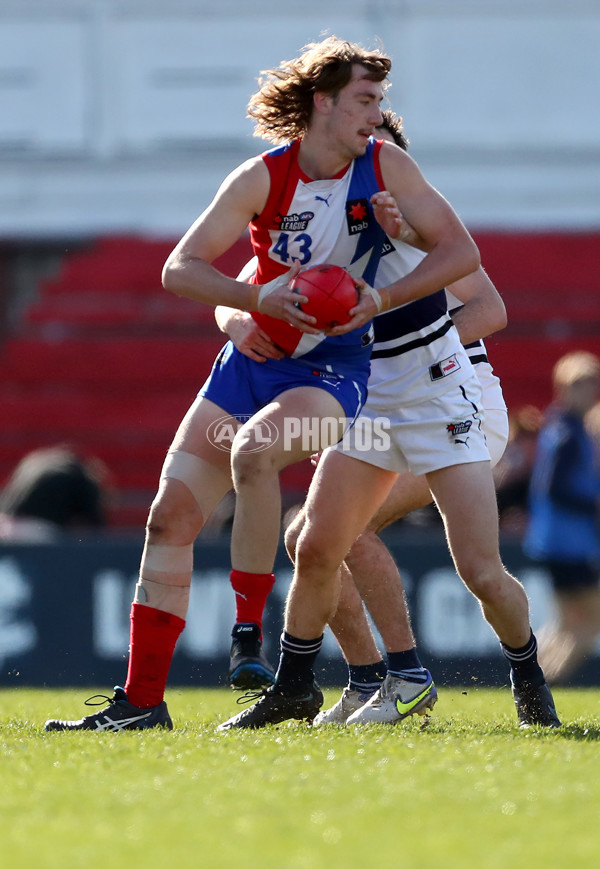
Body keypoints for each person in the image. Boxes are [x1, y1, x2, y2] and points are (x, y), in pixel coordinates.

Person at [44, 36, 480, 732]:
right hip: (250, 363)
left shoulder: (385, 166)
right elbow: (180, 268)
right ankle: (142, 703)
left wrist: (378, 302)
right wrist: (254, 303)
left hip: (331, 371)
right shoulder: (262, 176)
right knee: (168, 518)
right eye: (364, 100)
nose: (376, 113)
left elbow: (464, 251)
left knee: (254, 451)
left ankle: (249, 633)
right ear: (323, 103)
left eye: (379, 100)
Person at [218, 115, 561, 733]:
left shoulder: (417, 218)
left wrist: (416, 340)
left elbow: (490, 305)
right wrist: (236, 320)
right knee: (315, 539)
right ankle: (347, 680)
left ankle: (525, 672)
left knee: (480, 571)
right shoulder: (321, 219)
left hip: (449, 398)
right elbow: (241, 283)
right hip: (371, 406)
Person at [524, 351, 600, 684]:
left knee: (568, 623)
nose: (589, 392)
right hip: (566, 544)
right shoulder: (567, 432)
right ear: (564, 388)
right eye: (580, 384)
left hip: (562, 543)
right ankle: (541, 684)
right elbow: (553, 487)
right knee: (588, 623)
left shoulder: (564, 426)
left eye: (592, 384)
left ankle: (530, 680)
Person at [0, 445, 109, 541]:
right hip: (38, 531)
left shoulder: (38, 462)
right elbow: (95, 524)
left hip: (5, 526)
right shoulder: (81, 476)